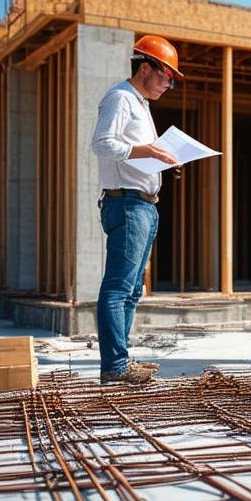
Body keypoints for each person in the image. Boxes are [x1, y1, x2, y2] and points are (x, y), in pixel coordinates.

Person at [91, 35, 183, 385]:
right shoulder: (120, 98)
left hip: (143, 204)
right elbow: (102, 143)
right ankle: (114, 366)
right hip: (127, 204)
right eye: (166, 75)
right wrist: (149, 153)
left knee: (131, 290)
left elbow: (134, 151)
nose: (169, 83)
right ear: (145, 67)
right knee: (117, 288)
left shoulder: (141, 104)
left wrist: (162, 161)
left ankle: (121, 362)